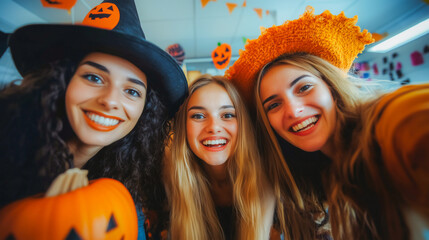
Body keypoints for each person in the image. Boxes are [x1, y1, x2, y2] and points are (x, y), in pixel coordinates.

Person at [0, 0, 188, 239]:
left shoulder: (123, 191)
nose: (110, 101)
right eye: (94, 78)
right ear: (62, 82)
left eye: (132, 91)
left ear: (144, 111)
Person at [225, 6, 390, 240]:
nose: (293, 110)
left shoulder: (385, 139)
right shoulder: (288, 185)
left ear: (331, 87)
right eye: (273, 105)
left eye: (304, 88)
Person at [164, 75, 275, 240]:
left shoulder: (275, 183)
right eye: (199, 116)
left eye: (228, 115)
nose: (214, 127)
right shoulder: (165, 185)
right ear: (183, 128)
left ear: (243, 124)